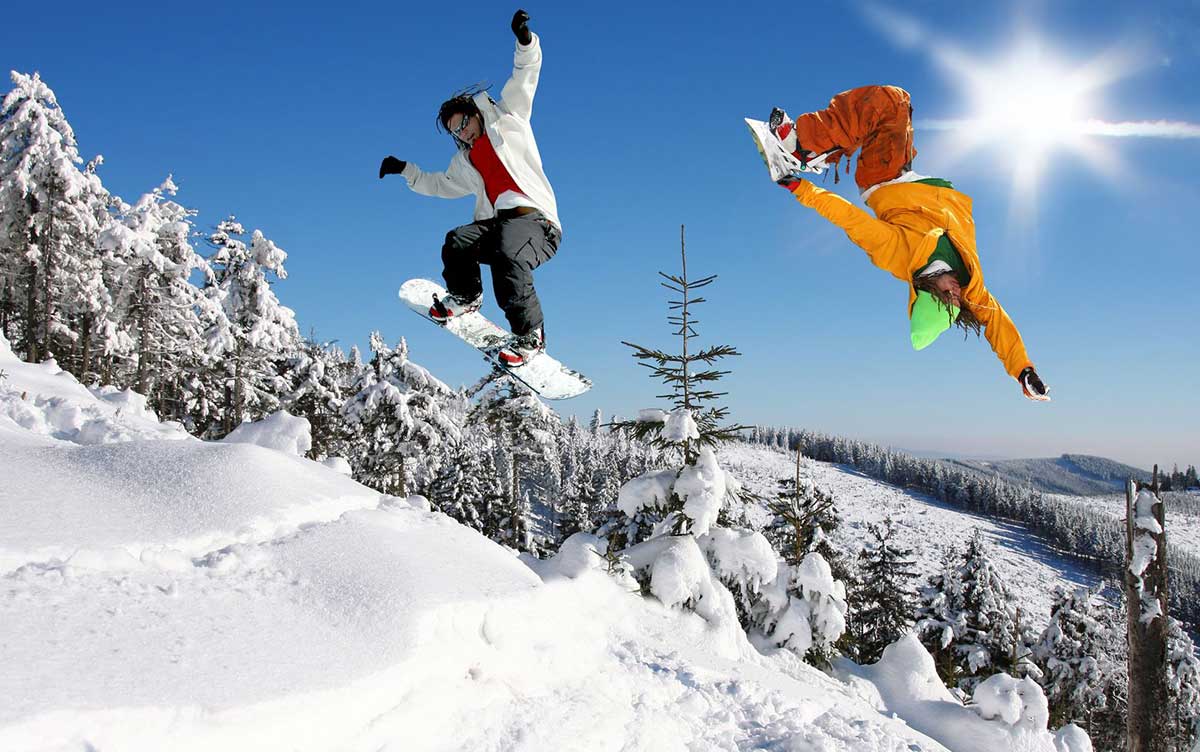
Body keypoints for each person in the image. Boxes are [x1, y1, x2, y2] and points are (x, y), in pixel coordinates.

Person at [764, 85, 1050, 401]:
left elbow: (847, 218)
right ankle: (821, 151)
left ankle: (801, 146)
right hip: (912, 181)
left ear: (927, 288)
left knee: (890, 103)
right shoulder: (972, 287)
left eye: (947, 294)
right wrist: (1024, 371)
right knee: (899, 111)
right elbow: (999, 327)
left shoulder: (899, 255)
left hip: (883, 182)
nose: (956, 291)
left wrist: (799, 188)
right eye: (956, 300)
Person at [379, 9, 561, 367]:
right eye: (455, 131)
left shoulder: (510, 119)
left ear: (475, 113)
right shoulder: (465, 162)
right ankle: (465, 295)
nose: (462, 132)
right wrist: (405, 170)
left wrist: (525, 40)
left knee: (509, 252)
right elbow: (439, 184)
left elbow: (526, 74)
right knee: (457, 240)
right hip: (499, 226)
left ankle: (531, 335)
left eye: (463, 123)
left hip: (536, 223)